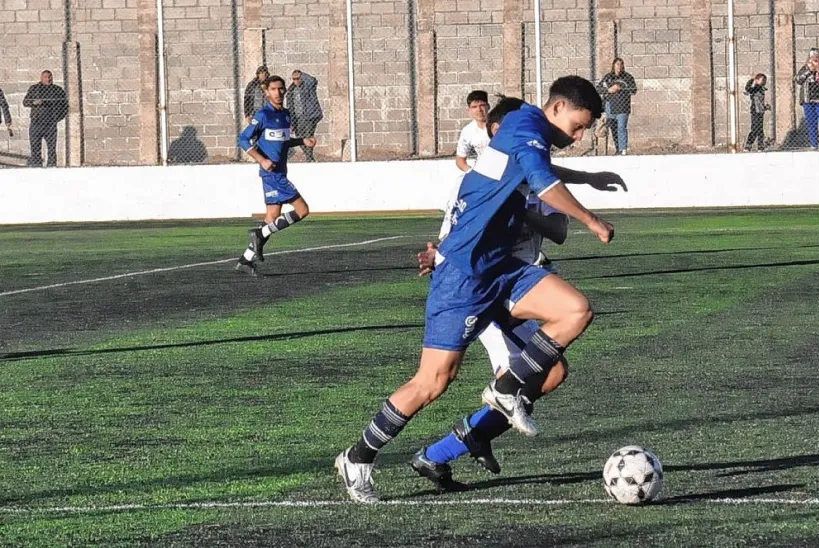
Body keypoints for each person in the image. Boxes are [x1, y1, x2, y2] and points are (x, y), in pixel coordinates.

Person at [335, 76, 616, 503]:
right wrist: (593, 220)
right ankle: (357, 457)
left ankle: (504, 392)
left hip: (503, 269)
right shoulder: (528, 127)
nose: (577, 137)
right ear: (557, 107)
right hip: (464, 276)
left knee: (575, 310)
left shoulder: (524, 130)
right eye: (578, 126)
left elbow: (539, 169)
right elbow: (542, 182)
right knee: (432, 382)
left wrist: (587, 176)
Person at [410, 96, 626, 491]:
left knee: (552, 372)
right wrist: (435, 253)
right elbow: (458, 237)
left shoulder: (537, 175)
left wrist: (577, 181)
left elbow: (558, 233)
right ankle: (451, 444)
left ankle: (451, 446)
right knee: (504, 378)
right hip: (485, 287)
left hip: (522, 279)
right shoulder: (486, 179)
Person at [235, 75, 317, 277]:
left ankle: (245, 260)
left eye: (281, 89)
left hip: (279, 171)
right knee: (302, 209)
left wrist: (301, 141)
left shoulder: (286, 115)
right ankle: (259, 233)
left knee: (272, 217)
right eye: (273, 89)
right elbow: (243, 139)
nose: (278, 93)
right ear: (266, 92)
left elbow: (282, 141)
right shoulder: (263, 115)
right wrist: (261, 159)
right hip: (272, 174)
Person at [23, 71, 68, 167]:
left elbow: (65, 107)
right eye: (45, 77)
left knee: (52, 149)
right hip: (36, 123)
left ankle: (51, 167)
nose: (48, 79)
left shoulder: (57, 90)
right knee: (35, 148)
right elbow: (25, 102)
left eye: (50, 77)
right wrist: (33, 102)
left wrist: (56, 119)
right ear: (41, 78)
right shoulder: (34, 89)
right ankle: (36, 166)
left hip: (50, 124)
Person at [596, 58, 637, 155]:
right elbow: (598, 88)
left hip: (623, 106)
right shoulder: (608, 77)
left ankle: (623, 150)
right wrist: (608, 90)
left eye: (621, 64)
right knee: (613, 128)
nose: (619, 67)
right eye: (617, 64)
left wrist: (621, 88)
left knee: (621, 127)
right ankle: (618, 149)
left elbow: (634, 90)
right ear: (613, 65)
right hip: (610, 106)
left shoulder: (628, 77)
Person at [287, 70, 323, 162]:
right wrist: (292, 122)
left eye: (298, 78)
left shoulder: (308, 86)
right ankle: (309, 157)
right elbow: (290, 106)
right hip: (298, 118)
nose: (296, 81)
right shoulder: (291, 90)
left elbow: (313, 80)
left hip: (309, 117)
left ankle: (309, 158)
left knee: (308, 136)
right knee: (300, 137)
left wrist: (303, 75)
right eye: (294, 79)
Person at [455, 90, 490, 172]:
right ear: (469, 110)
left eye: (482, 105)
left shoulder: (499, 124)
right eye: (474, 107)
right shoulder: (467, 131)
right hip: (483, 171)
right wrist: (471, 172)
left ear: (488, 106)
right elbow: (460, 159)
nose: (479, 110)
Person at [744, 73, 770, 151]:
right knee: (755, 129)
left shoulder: (761, 88)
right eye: (762, 80)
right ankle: (748, 145)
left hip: (760, 111)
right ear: (757, 80)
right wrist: (753, 80)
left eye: (765, 80)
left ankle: (760, 147)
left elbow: (760, 101)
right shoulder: (755, 87)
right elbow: (749, 89)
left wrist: (765, 107)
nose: (764, 82)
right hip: (755, 111)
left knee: (760, 130)